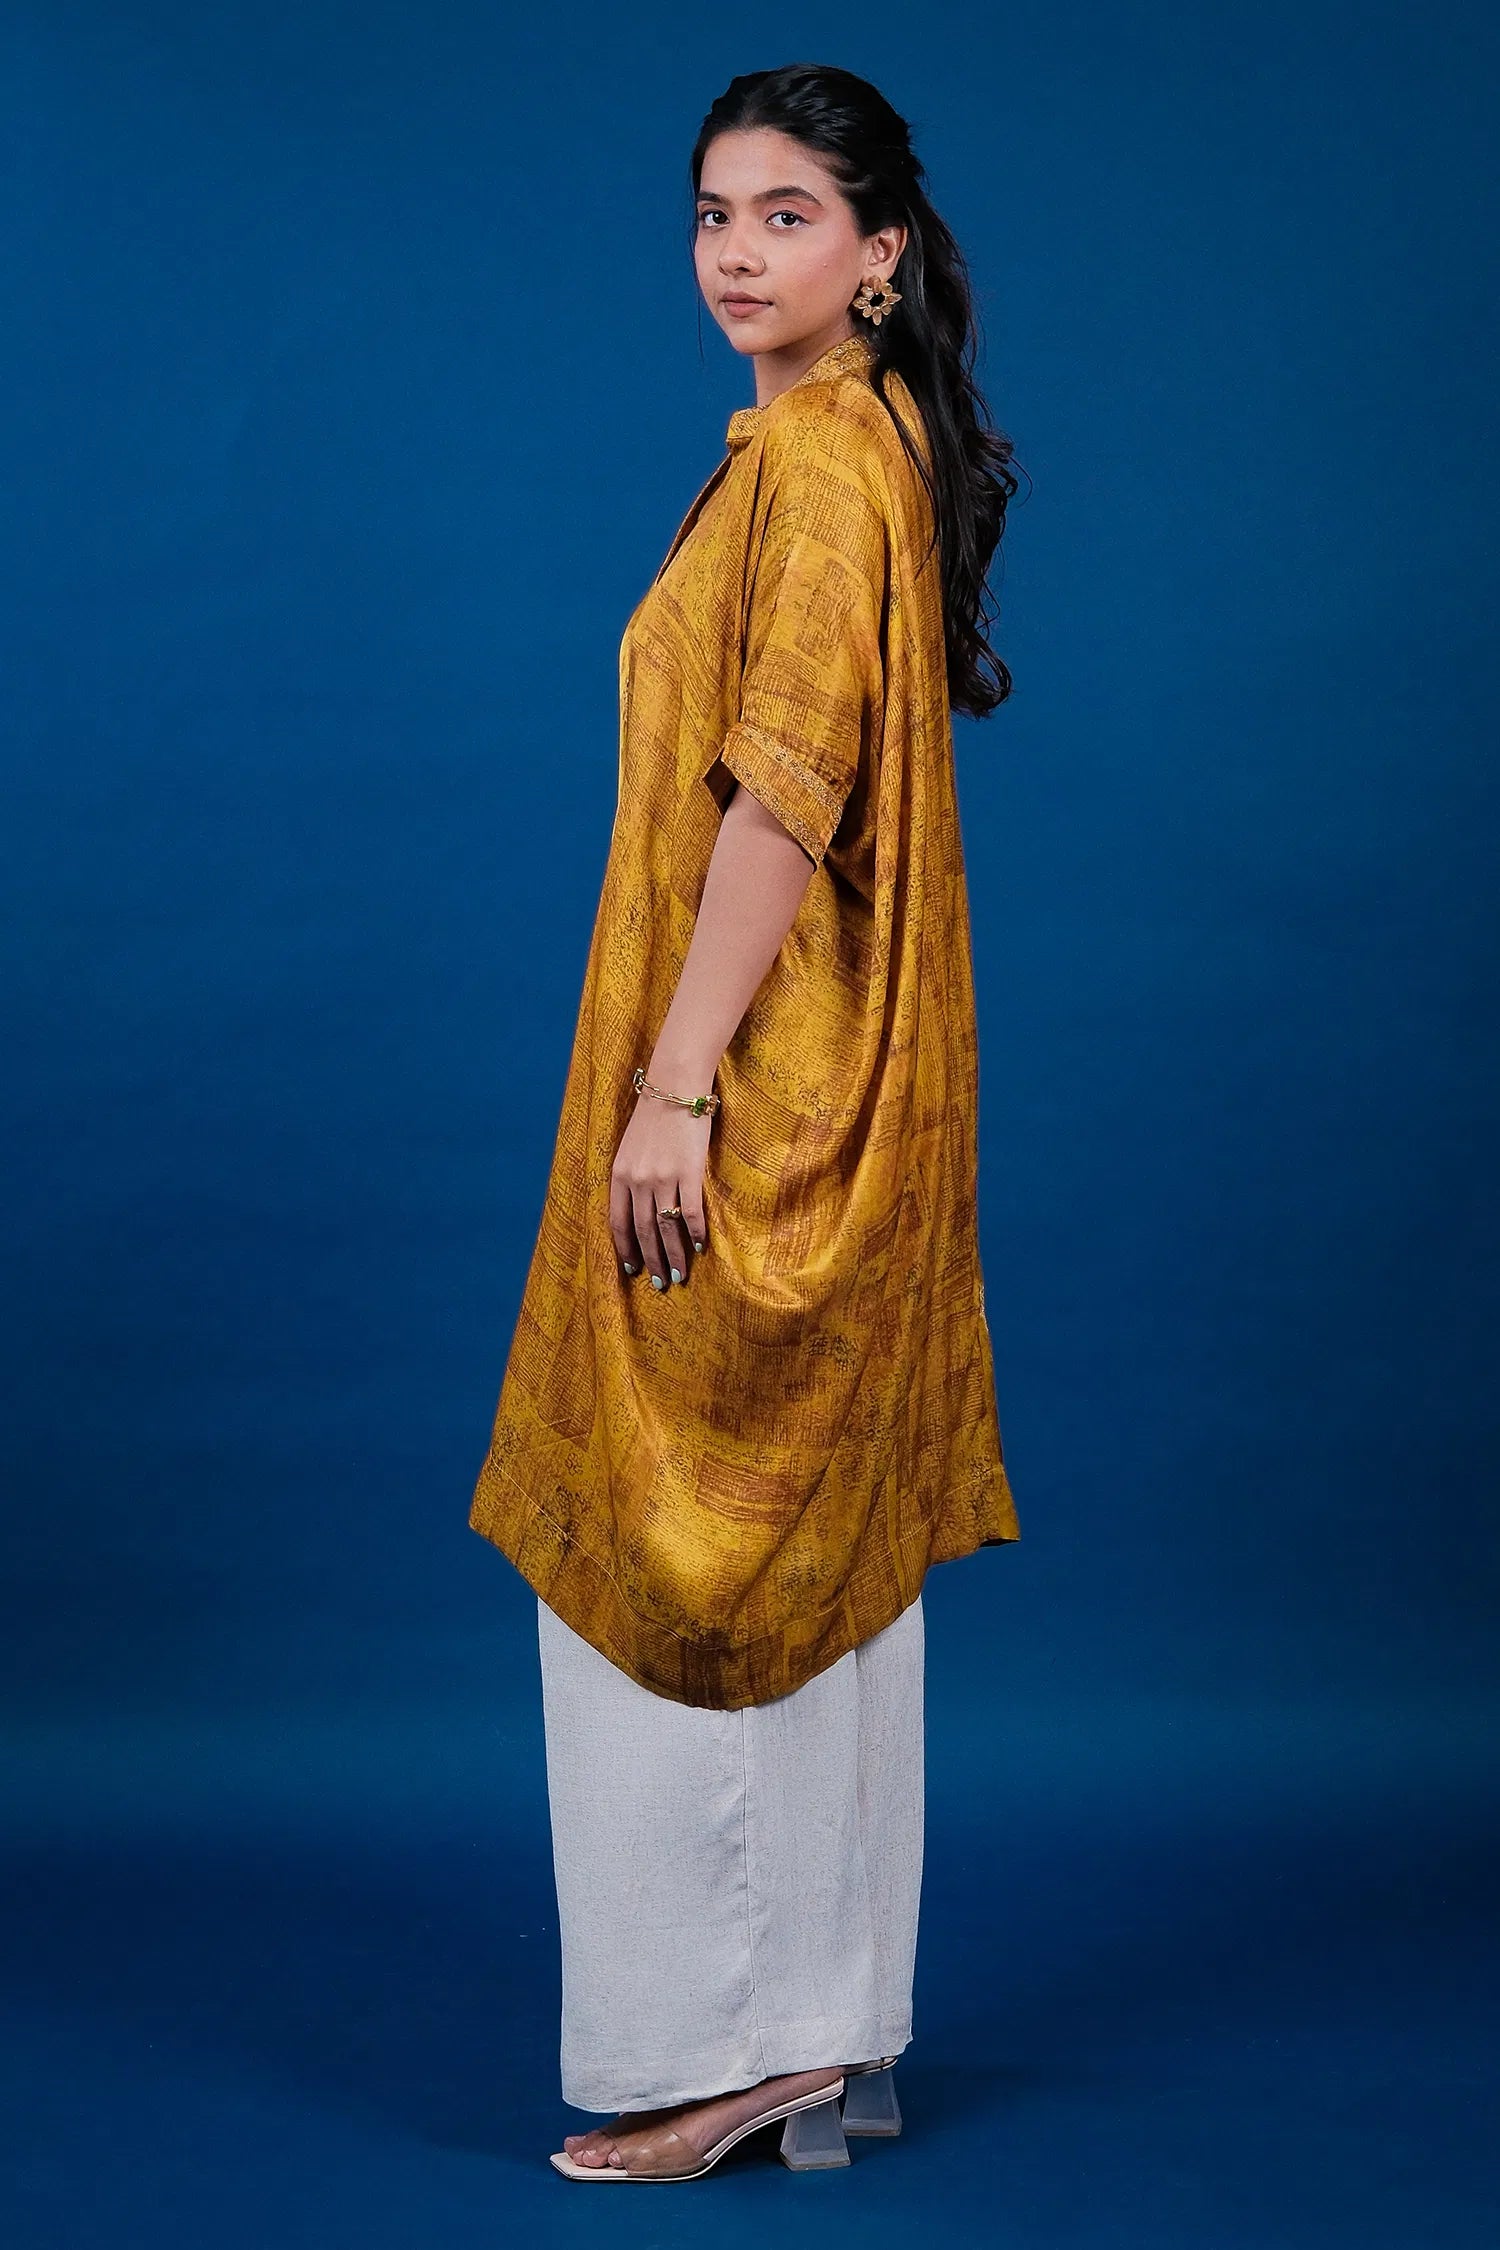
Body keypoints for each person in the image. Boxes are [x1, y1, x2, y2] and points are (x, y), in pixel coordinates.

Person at [468, 60, 1024, 2184]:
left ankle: (737, 2047)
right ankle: (821, 2026)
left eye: (788, 213)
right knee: (801, 1547)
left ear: (876, 255)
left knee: (696, 1540)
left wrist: (676, 1085)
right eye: (714, 211)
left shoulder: (819, 463)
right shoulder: (856, 445)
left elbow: (785, 791)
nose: (735, 250)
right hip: (831, 1079)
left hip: (761, 1088)